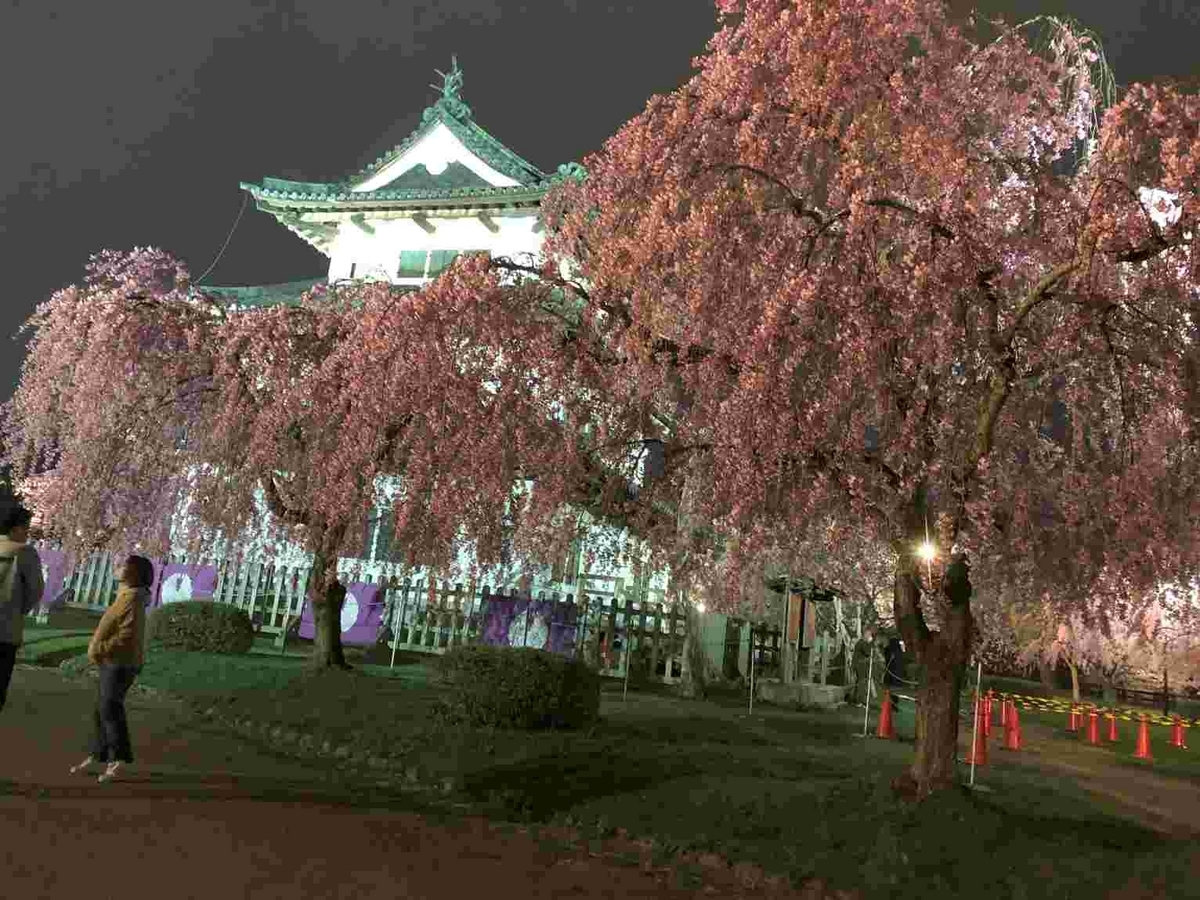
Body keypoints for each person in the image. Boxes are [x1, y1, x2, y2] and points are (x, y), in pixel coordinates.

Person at [71, 554, 153, 783]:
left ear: (133, 572)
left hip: (121, 663)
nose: (116, 568)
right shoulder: (127, 596)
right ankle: (98, 754)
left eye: (122, 566)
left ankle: (117, 759)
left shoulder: (132, 599)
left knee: (109, 708)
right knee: (102, 708)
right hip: (114, 661)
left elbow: (127, 635)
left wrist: (99, 648)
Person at [0, 503, 46, 713]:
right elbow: (35, 591)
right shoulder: (25, 553)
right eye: (26, 527)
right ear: (15, 527)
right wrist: (20, 609)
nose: (28, 532)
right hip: (6, 630)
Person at [883, 635, 905, 717]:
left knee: (892, 687)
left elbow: (902, 650)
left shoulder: (896, 644)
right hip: (891, 670)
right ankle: (891, 702)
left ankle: (892, 703)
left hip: (894, 670)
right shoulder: (892, 645)